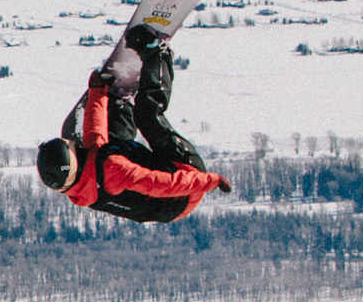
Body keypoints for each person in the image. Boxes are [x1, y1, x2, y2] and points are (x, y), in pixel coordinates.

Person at [34, 23, 227, 224]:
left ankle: (119, 105)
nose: (76, 144)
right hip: (185, 186)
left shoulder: (82, 183)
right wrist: (211, 181)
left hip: (166, 198)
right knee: (147, 114)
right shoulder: (113, 170)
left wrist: (98, 92)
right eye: (72, 147)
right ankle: (157, 53)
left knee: (109, 143)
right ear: (72, 159)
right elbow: (163, 184)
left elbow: (95, 135)